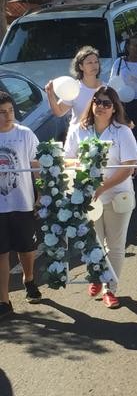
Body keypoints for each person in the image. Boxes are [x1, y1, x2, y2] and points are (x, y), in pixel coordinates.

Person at [65, 85, 137, 308]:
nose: (101, 106)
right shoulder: (79, 129)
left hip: (118, 195)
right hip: (88, 197)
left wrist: (102, 186)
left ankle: (110, 288)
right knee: (93, 243)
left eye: (107, 103)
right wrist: (84, 174)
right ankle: (96, 275)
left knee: (115, 246)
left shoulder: (123, 131)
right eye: (97, 101)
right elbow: (67, 158)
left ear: (115, 108)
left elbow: (128, 167)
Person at [0, 88, 42, 319]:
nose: (8, 116)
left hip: (22, 202)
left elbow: (36, 164)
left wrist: (40, 193)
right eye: (2, 112)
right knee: (1, 253)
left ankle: (29, 280)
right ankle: (4, 300)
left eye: (10, 111)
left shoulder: (25, 134)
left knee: (26, 248)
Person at [45, 45, 102, 133]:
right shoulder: (74, 88)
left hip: (101, 138)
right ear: (81, 67)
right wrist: (50, 93)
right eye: (89, 63)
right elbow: (59, 112)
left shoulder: (106, 88)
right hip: (78, 138)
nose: (94, 65)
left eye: (96, 62)